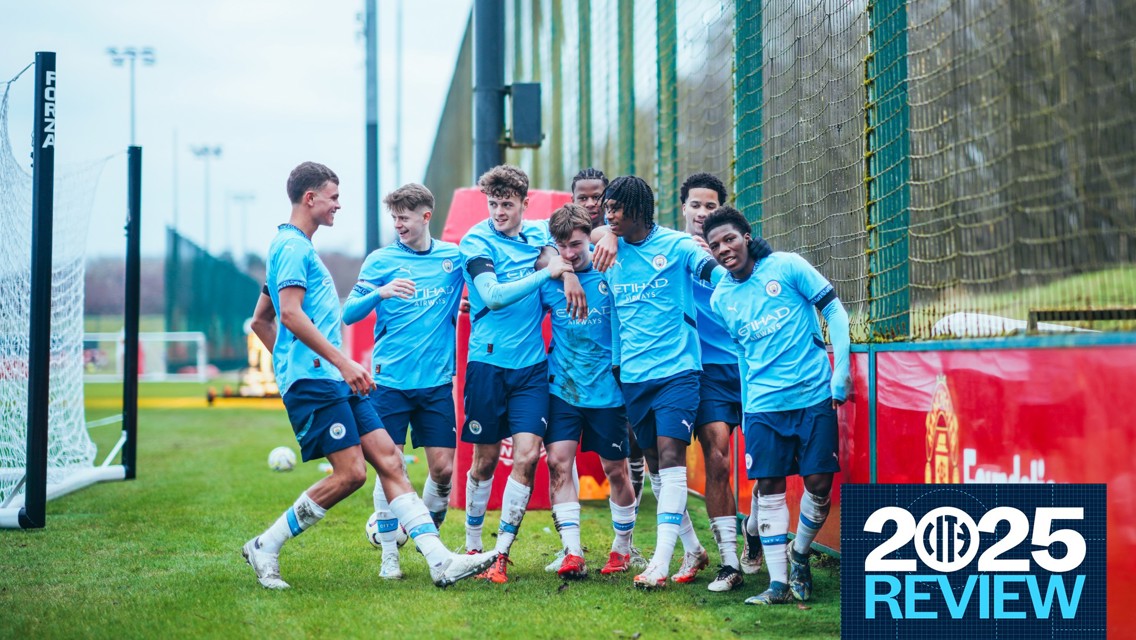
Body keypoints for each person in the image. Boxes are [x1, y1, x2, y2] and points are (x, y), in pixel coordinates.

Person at [241, 162, 496, 590]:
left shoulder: (297, 247)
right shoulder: (292, 249)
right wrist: (329, 364)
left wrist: (293, 362)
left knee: (391, 461)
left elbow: (260, 321)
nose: (338, 204)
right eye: (333, 196)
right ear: (310, 198)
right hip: (323, 382)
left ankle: (439, 561)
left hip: (334, 379)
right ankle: (266, 545)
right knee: (352, 475)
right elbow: (287, 314)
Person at [702, 206, 850, 606]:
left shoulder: (786, 267)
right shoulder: (721, 299)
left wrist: (841, 372)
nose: (723, 249)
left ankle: (800, 553)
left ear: (747, 236)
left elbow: (834, 309)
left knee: (819, 485)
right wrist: (748, 408)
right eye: (715, 245)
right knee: (768, 488)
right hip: (764, 405)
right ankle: (779, 584)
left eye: (729, 239)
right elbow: (742, 356)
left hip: (814, 395)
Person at [597, 175, 728, 589]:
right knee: (654, 464)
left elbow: (717, 275)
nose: (609, 215)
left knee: (672, 457)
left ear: (637, 210)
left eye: (616, 208)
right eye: (607, 208)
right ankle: (693, 548)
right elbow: (617, 316)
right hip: (633, 377)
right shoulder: (610, 254)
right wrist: (619, 367)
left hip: (678, 372)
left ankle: (659, 563)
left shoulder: (677, 246)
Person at [459, 164, 574, 583]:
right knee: (485, 462)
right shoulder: (476, 240)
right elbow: (491, 295)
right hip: (487, 365)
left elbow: (576, 240)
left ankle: (500, 555)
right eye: (493, 204)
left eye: (507, 204)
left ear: (525, 204)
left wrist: (566, 269)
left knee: (526, 457)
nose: (499, 212)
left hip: (530, 370)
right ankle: (473, 548)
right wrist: (548, 271)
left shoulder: (540, 233)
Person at [341, 183, 463, 580]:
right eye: (394, 218)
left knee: (443, 471)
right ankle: (389, 556)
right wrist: (381, 291)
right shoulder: (381, 261)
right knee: (388, 466)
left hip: (435, 384)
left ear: (426, 217)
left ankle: (428, 535)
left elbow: (477, 290)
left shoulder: (452, 258)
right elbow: (349, 313)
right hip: (389, 383)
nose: (398, 225)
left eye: (405, 218)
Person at [539, 203, 638, 579]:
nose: (569, 253)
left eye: (576, 244)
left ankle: (622, 548)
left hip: (608, 393)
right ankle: (573, 552)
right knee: (558, 464)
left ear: (588, 237)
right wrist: (565, 274)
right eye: (562, 246)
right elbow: (532, 249)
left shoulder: (610, 272)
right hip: (563, 389)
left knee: (616, 470)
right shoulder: (551, 279)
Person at [677, 173, 751, 592]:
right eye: (695, 205)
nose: (702, 213)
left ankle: (755, 532)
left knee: (767, 463)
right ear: (683, 209)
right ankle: (728, 560)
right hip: (704, 369)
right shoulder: (671, 248)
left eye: (710, 206)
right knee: (717, 457)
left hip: (751, 365)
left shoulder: (738, 250)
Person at [571, 167, 647, 510]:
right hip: (578, 360)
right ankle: (570, 533)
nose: (590, 203)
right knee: (561, 448)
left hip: (623, 350)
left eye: (596, 197)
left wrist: (611, 235)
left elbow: (604, 230)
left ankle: (637, 483)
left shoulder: (615, 235)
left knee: (632, 431)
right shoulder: (563, 236)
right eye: (582, 198)